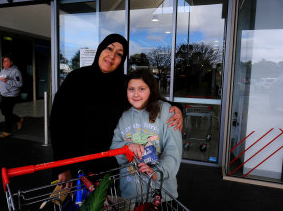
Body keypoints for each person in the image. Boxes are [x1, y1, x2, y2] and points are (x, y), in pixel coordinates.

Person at [50, 34, 183, 188]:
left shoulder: (123, 84)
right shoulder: (76, 79)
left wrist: (176, 108)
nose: (112, 56)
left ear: (122, 59)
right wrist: (62, 166)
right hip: (72, 162)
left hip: (107, 164)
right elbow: (57, 124)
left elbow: (148, 97)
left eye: (119, 53)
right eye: (109, 48)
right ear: (100, 49)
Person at [110, 69, 182, 201]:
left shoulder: (166, 111)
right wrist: (127, 147)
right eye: (131, 89)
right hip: (131, 194)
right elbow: (114, 150)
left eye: (141, 88)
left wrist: (157, 172)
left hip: (161, 194)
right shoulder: (123, 115)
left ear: (151, 90)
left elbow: (173, 151)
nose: (136, 94)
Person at [0, 56, 24, 138]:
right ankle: (19, 119)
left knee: (7, 113)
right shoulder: (2, 71)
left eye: (6, 61)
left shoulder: (16, 71)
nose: (3, 62)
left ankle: (7, 131)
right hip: (4, 95)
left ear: (11, 63)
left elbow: (20, 84)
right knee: (4, 112)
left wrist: (8, 81)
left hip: (12, 95)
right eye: (3, 61)